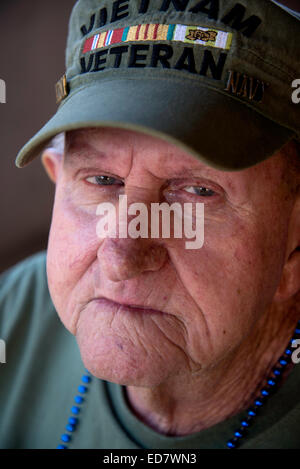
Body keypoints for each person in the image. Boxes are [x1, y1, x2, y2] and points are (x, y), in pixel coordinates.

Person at [0, 0, 300, 450]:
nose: (122, 256)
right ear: (56, 181)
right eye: (102, 180)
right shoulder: (17, 313)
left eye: (198, 192)